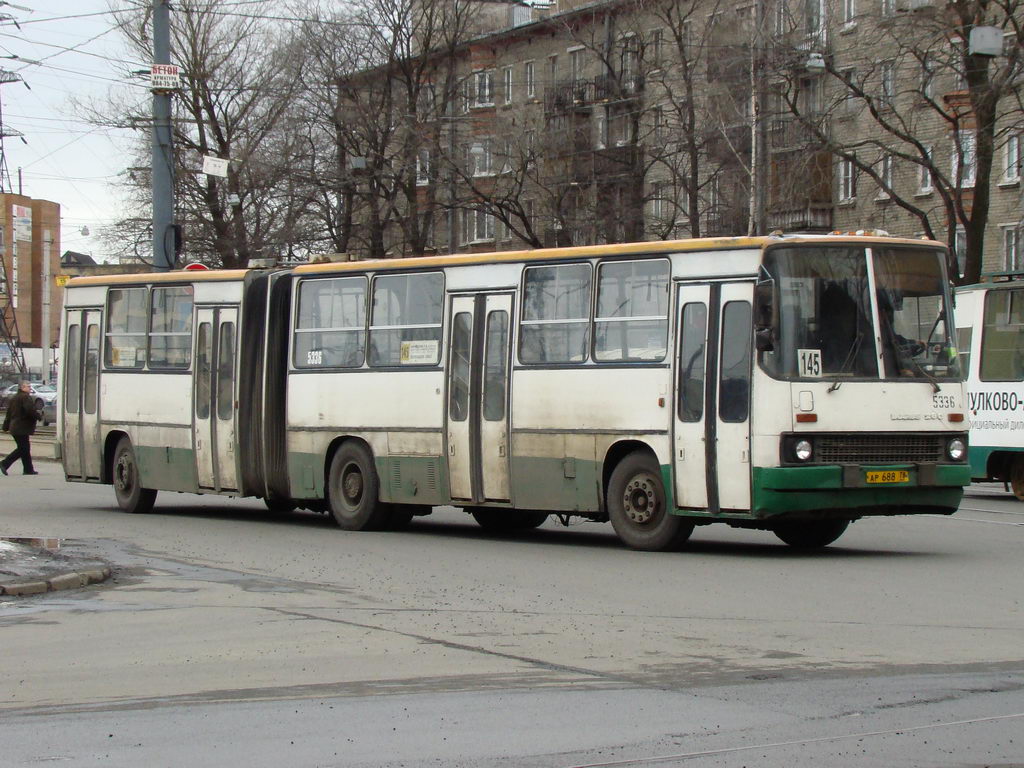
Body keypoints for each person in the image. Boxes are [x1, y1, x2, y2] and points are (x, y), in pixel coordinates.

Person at [1, 381, 40, 476]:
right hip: (21, 427)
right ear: (22, 388)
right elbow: (30, 410)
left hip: (15, 427)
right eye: (28, 386)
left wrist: (6, 426)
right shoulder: (25, 397)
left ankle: (28, 469)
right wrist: (38, 416)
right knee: (23, 448)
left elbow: (9, 413)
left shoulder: (14, 398)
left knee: (25, 448)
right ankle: (4, 463)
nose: (30, 388)